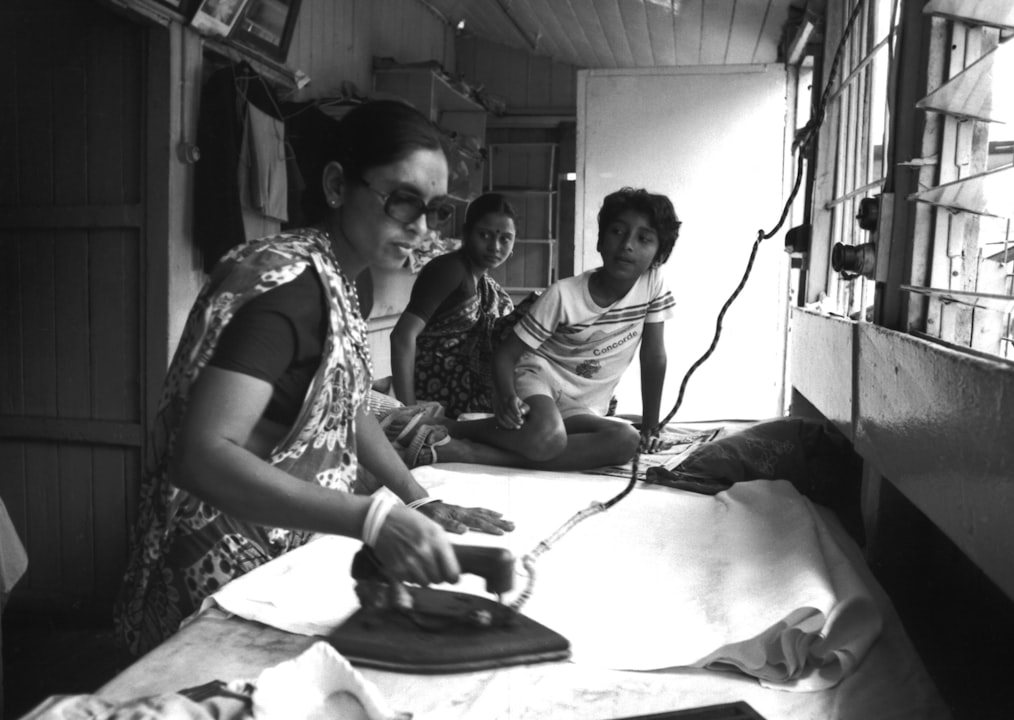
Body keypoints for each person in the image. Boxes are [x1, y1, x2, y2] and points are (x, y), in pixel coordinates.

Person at [113, 100, 514, 657]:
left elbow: (344, 409)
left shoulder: (345, 281)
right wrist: (371, 517)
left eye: (437, 211)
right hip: (221, 563)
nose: (421, 229)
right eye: (403, 202)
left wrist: (416, 502)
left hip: (276, 545)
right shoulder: (292, 286)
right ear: (335, 185)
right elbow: (201, 454)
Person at [401, 187, 680, 471]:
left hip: (579, 402)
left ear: (659, 254)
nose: (628, 245)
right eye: (617, 232)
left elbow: (654, 355)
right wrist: (505, 397)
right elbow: (501, 353)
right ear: (599, 240)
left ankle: (476, 448)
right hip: (534, 379)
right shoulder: (561, 294)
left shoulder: (653, 283)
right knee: (547, 437)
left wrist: (650, 426)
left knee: (625, 440)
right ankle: (460, 433)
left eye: (643, 239)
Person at [390, 193, 518, 418]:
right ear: (466, 233)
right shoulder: (450, 269)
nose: (495, 246)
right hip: (431, 392)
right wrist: (409, 410)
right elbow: (402, 336)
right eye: (484, 235)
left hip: (463, 395)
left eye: (505, 238)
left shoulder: (485, 285)